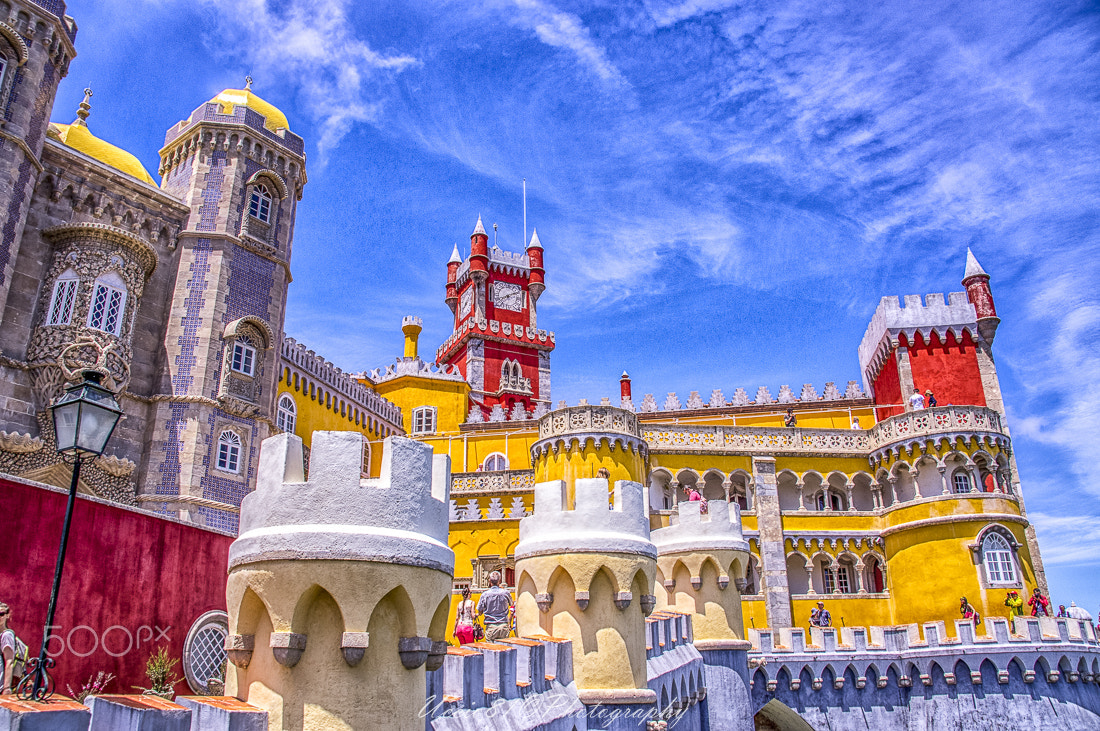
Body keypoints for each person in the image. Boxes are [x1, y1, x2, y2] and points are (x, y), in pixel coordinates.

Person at [477, 571, 514, 641]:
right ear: (499, 581)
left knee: (490, 650)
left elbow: (480, 611)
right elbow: (512, 604)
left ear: (489, 581)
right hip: (503, 625)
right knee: (504, 649)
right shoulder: (505, 593)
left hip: (491, 626)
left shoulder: (485, 595)